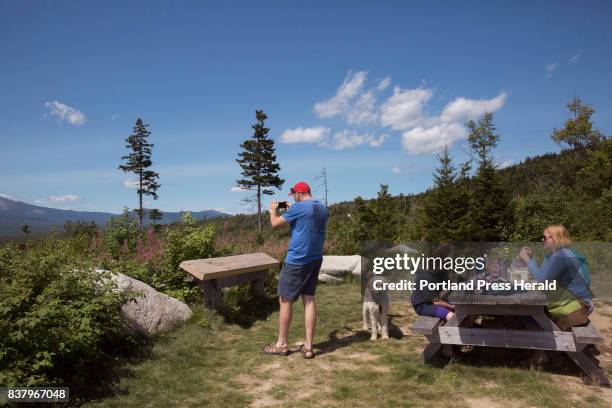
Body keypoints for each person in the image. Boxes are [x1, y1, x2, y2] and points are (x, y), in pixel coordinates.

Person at [262, 181, 328, 359]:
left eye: (294, 195)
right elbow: (306, 222)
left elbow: (275, 224)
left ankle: (282, 345)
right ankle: (308, 347)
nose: (294, 198)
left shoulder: (298, 208)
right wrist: (294, 209)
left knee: (285, 300)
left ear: (298, 193)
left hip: (297, 260)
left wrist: (273, 211)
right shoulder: (322, 207)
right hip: (315, 258)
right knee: (309, 299)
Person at [519, 224, 593, 331]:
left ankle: (539, 342)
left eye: (544, 237)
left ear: (555, 238)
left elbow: (541, 281)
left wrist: (527, 260)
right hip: (577, 303)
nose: (542, 240)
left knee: (526, 311)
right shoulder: (557, 255)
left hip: (576, 307)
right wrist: (531, 258)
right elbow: (541, 275)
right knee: (528, 310)